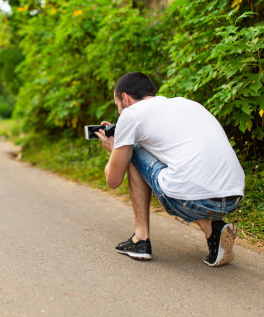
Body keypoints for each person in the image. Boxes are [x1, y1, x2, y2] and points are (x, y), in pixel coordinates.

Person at [95, 72, 245, 267]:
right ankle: (214, 230)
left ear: (125, 98)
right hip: (233, 197)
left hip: (192, 199)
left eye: (118, 107)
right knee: (181, 174)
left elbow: (113, 180)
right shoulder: (187, 104)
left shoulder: (131, 114)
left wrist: (116, 147)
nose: (119, 114)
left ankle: (140, 240)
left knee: (132, 150)